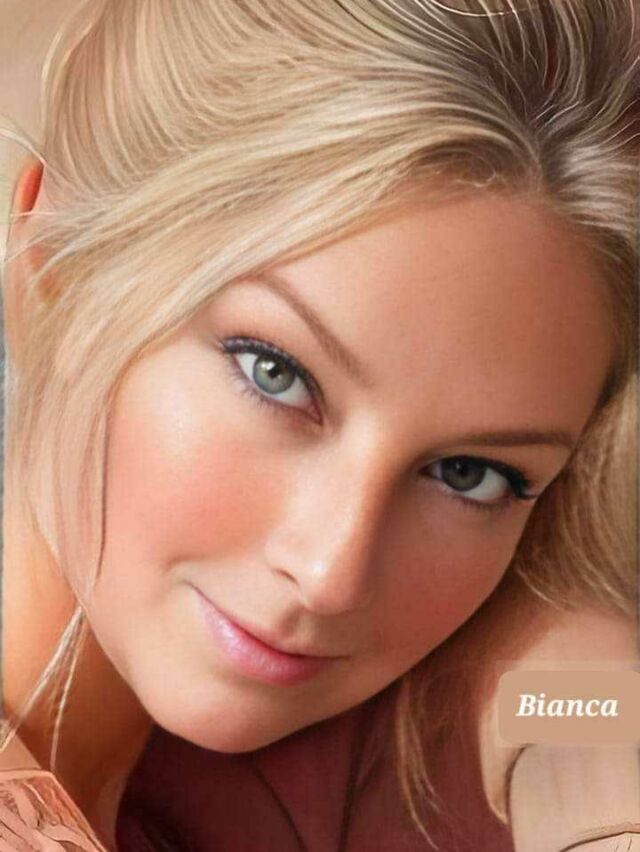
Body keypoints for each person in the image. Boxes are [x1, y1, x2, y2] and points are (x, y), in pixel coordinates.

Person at [0, 0, 638, 849]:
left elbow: (583, 697)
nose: (331, 573)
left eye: (469, 473)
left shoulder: (297, 766)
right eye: (275, 373)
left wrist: (588, 717)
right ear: (52, 262)